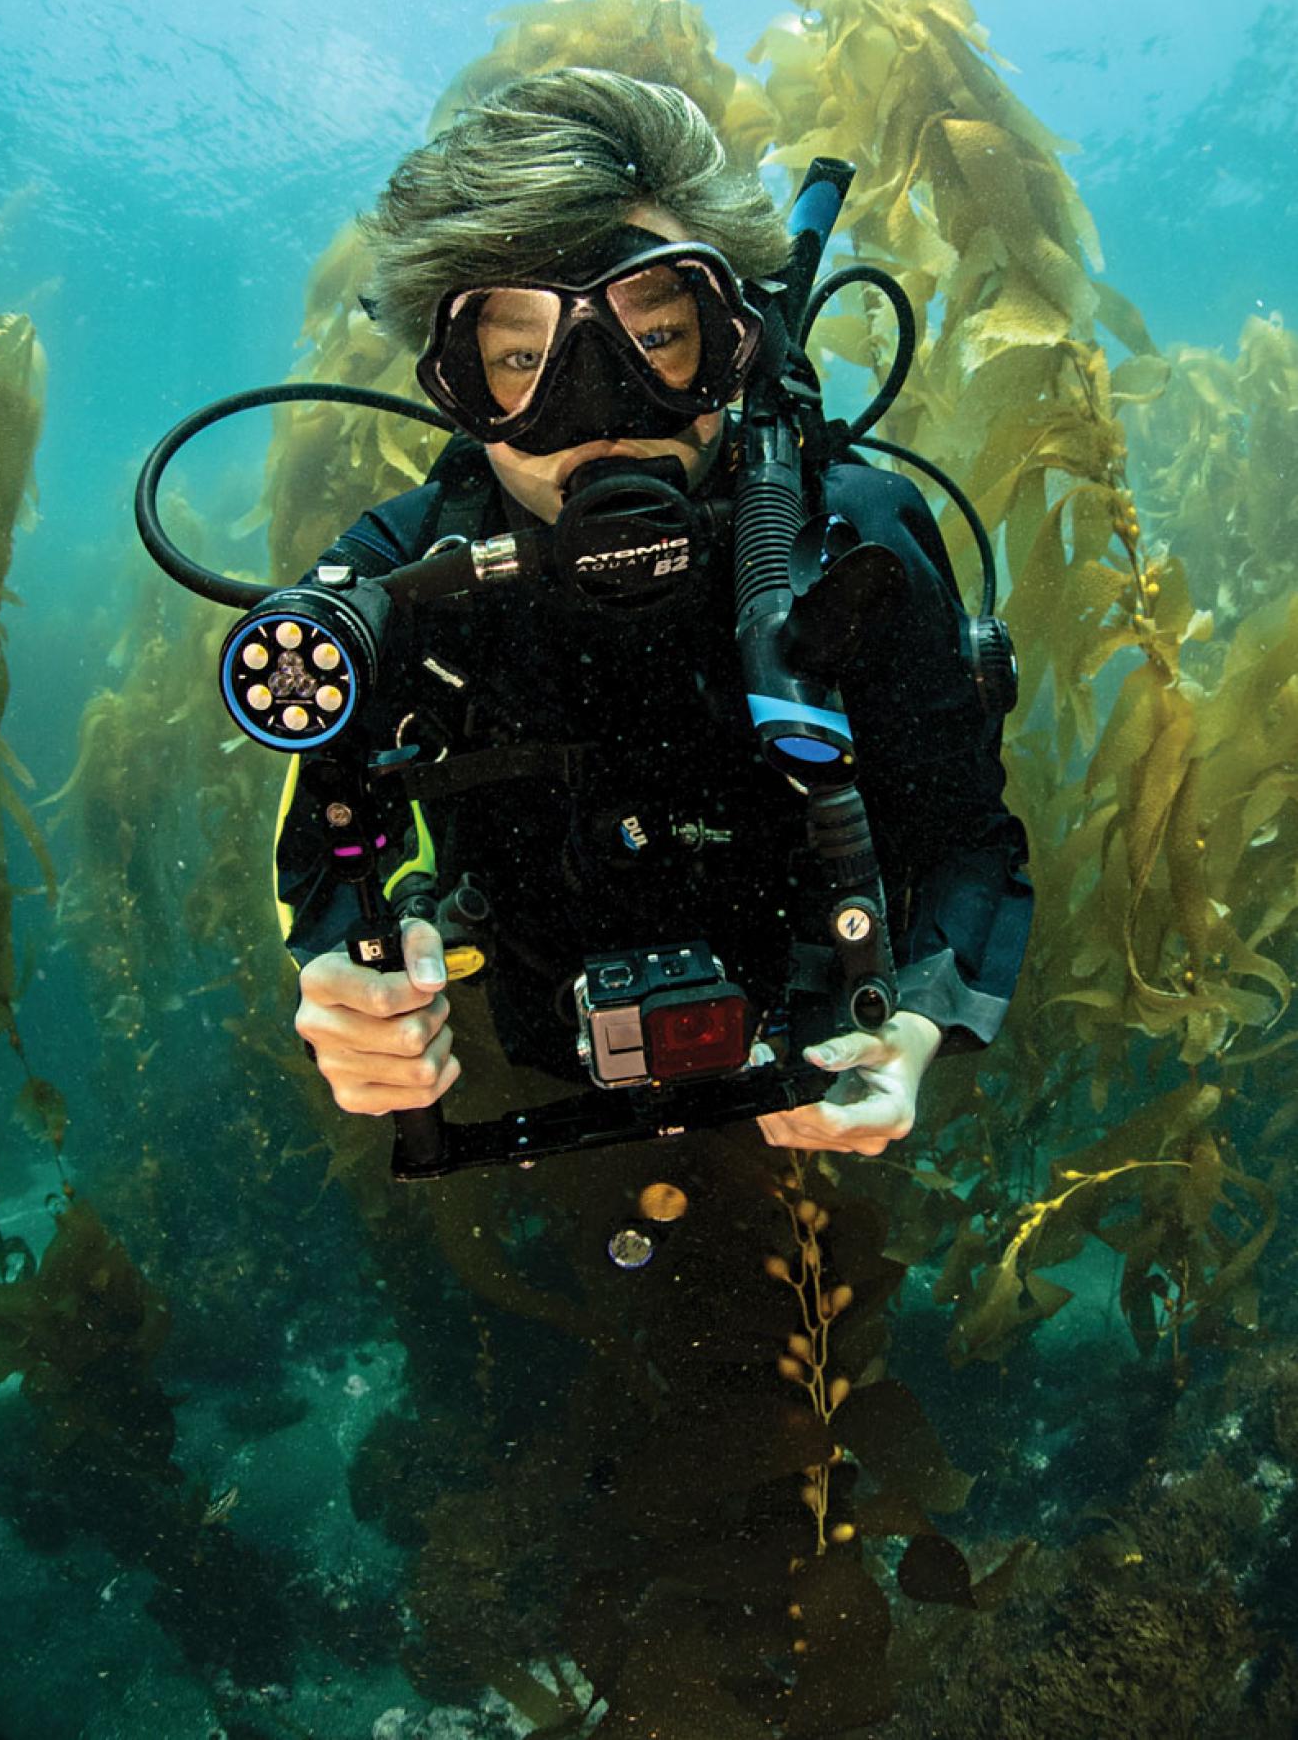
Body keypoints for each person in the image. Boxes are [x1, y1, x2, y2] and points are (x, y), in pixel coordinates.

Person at [276, 68, 1033, 1157]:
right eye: (525, 360)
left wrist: (913, 1030)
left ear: (731, 338)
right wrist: (340, 984)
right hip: (534, 1087)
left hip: (822, 1065)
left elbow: (966, 832)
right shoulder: (402, 577)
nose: (602, 415)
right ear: (458, 384)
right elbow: (327, 842)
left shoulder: (848, 538)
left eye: (655, 335)